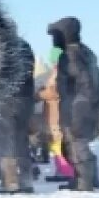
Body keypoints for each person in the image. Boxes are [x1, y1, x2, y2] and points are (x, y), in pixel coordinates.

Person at [47, 16, 99, 192]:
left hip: (77, 106)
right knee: (78, 142)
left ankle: (83, 182)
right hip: (85, 104)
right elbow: (98, 78)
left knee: (76, 142)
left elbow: (83, 80)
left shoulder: (70, 55)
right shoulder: (86, 52)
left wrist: (81, 104)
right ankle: (90, 178)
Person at [0, 35, 36, 193]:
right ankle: (26, 179)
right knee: (21, 139)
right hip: (26, 99)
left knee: (5, 139)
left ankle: (9, 181)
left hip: (6, 99)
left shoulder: (1, 45)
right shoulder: (25, 46)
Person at [38, 46, 74, 183]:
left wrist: (39, 94)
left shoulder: (59, 73)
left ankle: (65, 171)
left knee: (57, 143)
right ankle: (62, 169)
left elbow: (54, 92)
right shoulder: (62, 71)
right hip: (55, 111)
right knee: (55, 142)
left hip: (56, 112)